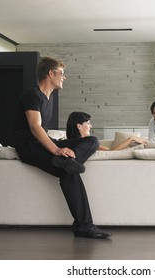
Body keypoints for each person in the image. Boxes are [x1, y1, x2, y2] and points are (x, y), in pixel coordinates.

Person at [12, 57, 112, 238]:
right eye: (62, 73)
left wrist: (61, 151)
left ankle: (67, 162)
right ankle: (84, 226)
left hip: (41, 143)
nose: (64, 77)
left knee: (92, 141)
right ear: (51, 73)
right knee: (69, 171)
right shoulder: (32, 95)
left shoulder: (49, 98)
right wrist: (56, 150)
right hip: (28, 146)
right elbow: (35, 127)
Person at [66, 111, 149, 149]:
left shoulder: (70, 143)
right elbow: (112, 152)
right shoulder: (89, 143)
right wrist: (131, 138)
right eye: (88, 123)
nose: (91, 126)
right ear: (79, 126)